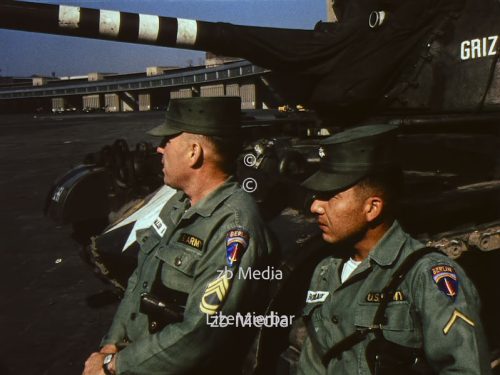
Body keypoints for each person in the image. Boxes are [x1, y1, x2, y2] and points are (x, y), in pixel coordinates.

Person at [82, 97, 276, 375]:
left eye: (169, 139)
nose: (159, 148)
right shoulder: (177, 203)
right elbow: (139, 280)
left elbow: (201, 333)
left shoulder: (233, 228)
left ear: (193, 152)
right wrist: (112, 343)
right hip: (139, 358)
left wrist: (114, 366)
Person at [296, 125, 491, 374]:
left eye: (331, 195)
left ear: (372, 208)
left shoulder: (425, 276)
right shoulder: (326, 270)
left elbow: (467, 368)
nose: (315, 207)